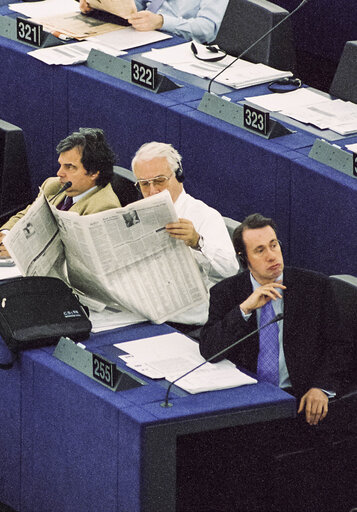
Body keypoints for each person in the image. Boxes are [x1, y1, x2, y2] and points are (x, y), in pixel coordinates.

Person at [200, 214, 351, 425]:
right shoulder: (226, 292)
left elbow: (340, 346)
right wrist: (244, 309)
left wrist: (321, 387)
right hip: (245, 400)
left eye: (274, 245)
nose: (272, 256)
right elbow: (210, 350)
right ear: (244, 258)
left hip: (297, 399)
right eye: (260, 250)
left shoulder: (315, 287)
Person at [131, 142, 238, 326]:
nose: (152, 191)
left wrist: (198, 242)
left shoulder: (205, 216)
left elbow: (230, 270)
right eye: (144, 184)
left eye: (159, 181)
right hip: (142, 313)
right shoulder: (137, 213)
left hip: (185, 322)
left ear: (178, 176)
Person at [0, 128, 120, 259]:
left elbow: (73, 258)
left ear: (93, 173)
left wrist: (19, 249)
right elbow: (25, 216)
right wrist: (5, 235)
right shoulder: (53, 186)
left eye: (70, 167)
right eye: (60, 165)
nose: (59, 173)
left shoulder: (104, 208)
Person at [79, 0, 229, 43]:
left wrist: (161, 21)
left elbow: (207, 29)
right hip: (141, 34)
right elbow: (137, 5)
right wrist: (99, 6)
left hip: (176, 42)